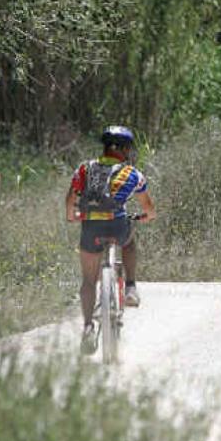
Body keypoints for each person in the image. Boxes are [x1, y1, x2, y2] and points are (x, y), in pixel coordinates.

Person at [65, 125, 156, 354]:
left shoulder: (84, 169)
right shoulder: (132, 173)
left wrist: (73, 216)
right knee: (129, 239)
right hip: (117, 226)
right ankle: (131, 288)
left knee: (88, 280)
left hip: (90, 228)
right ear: (125, 150)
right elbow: (149, 208)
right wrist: (145, 216)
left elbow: (70, 200)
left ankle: (87, 328)